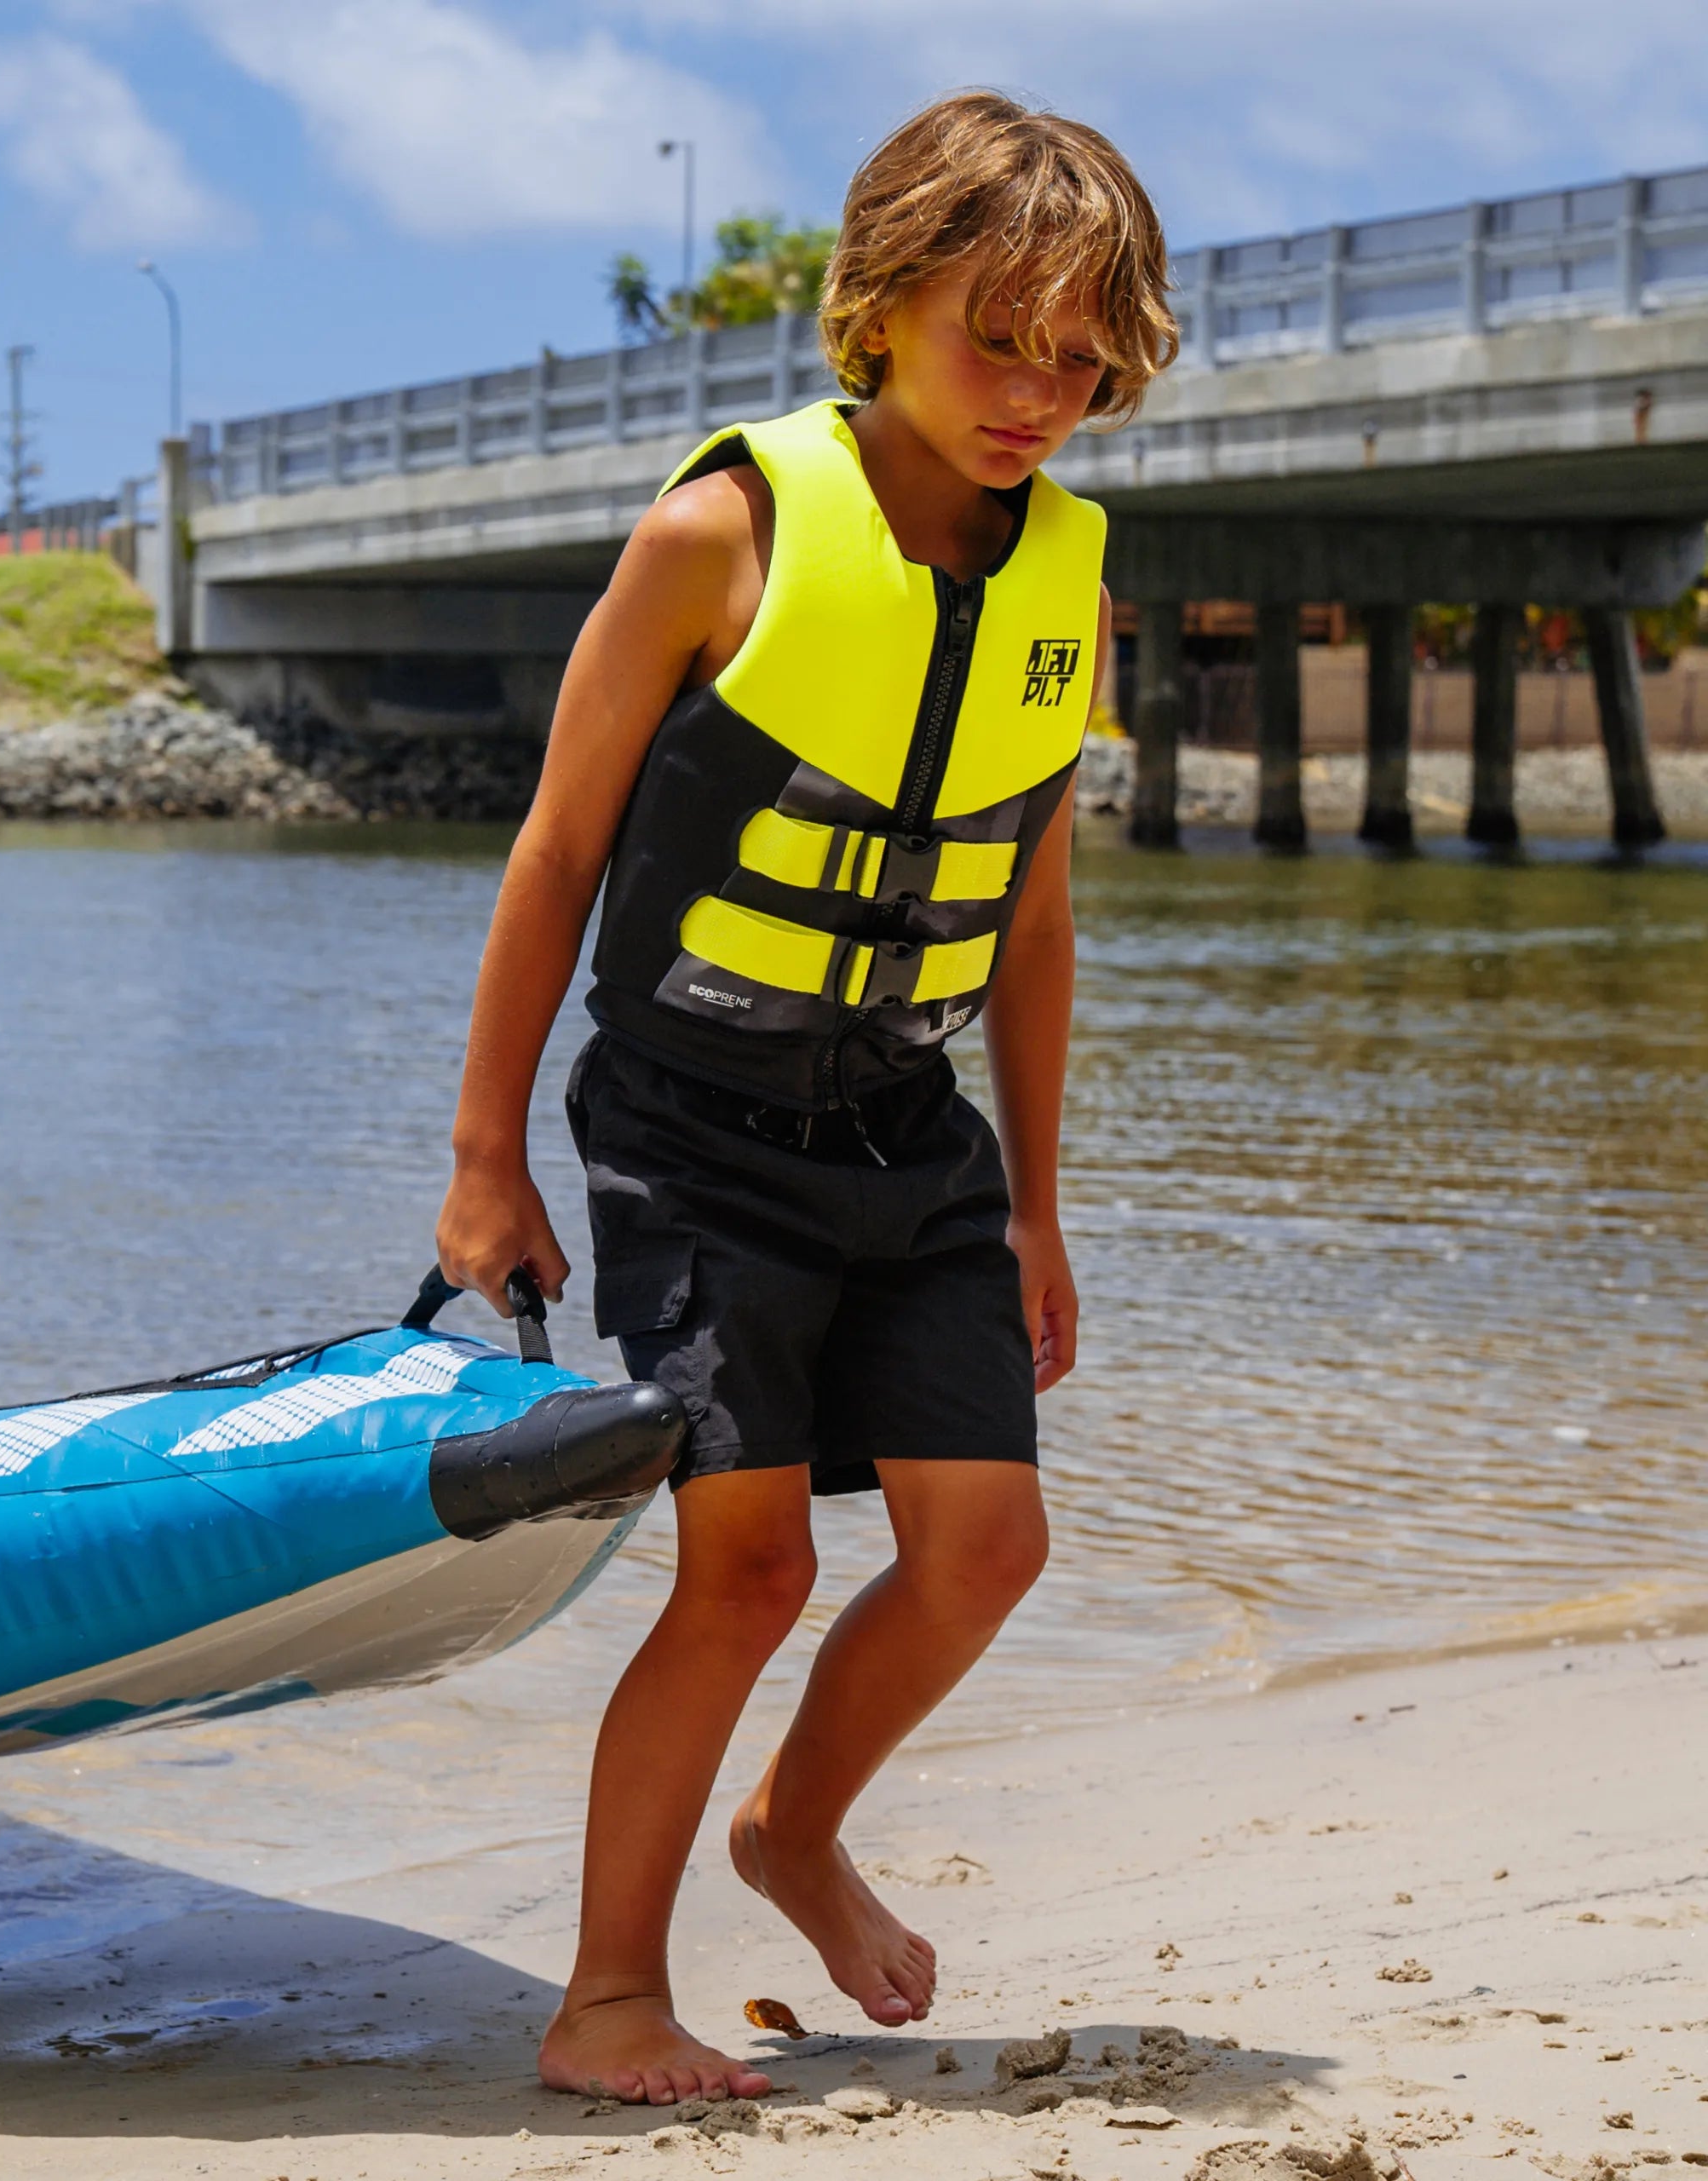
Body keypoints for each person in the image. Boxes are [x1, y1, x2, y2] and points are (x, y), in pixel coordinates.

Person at [435, 89, 1178, 2107]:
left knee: (984, 1541)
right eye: (993, 332)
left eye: (1076, 348)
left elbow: (1024, 918)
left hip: (910, 1131)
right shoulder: (721, 532)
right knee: (745, 1565)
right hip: (692, 1126)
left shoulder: (1064, 585)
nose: (1037, 386)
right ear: (876, 305)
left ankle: (789, 1828)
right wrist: (485, 1150)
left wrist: (1034, 1201)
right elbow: (557, 845)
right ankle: (602, 1999)